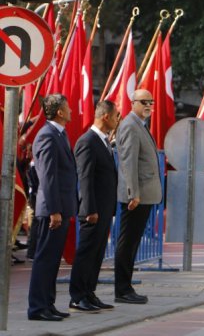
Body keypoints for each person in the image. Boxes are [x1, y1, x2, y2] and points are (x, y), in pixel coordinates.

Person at [27, 94, 77, 322]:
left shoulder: (59, 134)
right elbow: (47, 176)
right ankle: (37, 307)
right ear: (58, 111)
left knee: (53, 260)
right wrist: (55, 210)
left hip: (60, 207)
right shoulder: (47, 135)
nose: (70, 110)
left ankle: (48, 303)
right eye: (67, 107)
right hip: (51, 210)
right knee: (45, 259)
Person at [68, 100, 119, 312]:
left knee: (97, 252)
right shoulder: (87, 141)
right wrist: (89, 208)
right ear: (105, 116)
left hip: (104, 208)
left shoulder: (104, 141)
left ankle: (89, 292)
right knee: (87, 253)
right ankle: (77, 296)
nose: (118, 120)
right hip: (93, 210)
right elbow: (85, 178)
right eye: (116, 115)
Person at [114, 89, 162, 304]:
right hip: (136, 196)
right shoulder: (130, 126)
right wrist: (133, 193)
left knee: (133, 242)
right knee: (128, 242)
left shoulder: (140, 125)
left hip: (144, 194)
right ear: (132, 103)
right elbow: (128, 162)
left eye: (151, 102)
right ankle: (122, 289)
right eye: (144, 102)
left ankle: (126, 286)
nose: (149, 105)